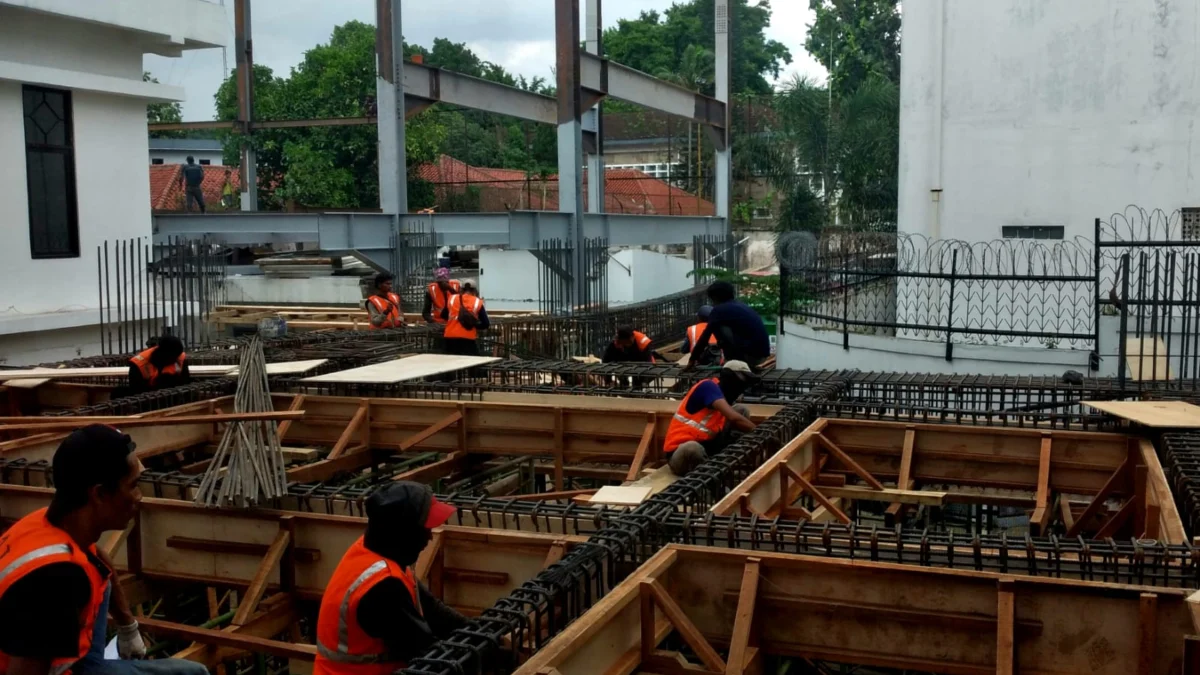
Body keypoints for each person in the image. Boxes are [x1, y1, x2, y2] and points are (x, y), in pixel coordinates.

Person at [0, 424, 208, 675]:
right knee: (193, 674)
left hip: (49, 639)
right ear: (99, 493)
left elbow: (100, 558)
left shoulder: (49, 522)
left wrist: (128, 627)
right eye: (132, 485)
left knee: (97, 571)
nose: (139, 496)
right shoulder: (58, 581)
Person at [314, 482, 468, 675]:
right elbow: (427, 653)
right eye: (425, 529)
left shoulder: (380, 552)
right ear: (403, 535)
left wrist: (477, 631)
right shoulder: (382, 589)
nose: (430, 537)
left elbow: (433, 610)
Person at [664, 360, 759, 477]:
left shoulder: (726, 397)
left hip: (709, 447)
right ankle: (716, 478)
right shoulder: (708, 387)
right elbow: (733, 417)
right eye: (741, 383)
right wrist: (760, 433)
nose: (742, 389)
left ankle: (732, 460)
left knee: (741, 410)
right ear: (730, 378)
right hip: (680, 455)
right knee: (692, 448)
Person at [682, 281, 770, 372]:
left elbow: (704, 338)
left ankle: (732, 362)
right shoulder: (740, 306)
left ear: (715, 297)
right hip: (762, 354)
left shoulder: (718, 311)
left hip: (751, 356)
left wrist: (692, 360)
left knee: (719, 326)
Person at [442, 282, 489, 356]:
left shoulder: (452, 298)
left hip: (450, 336)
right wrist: (473, 325)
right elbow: (486, 323)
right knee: (472, 362)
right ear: (474, 291)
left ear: (461, 290)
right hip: (467, 338)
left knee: (451, 363)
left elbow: (443, 315)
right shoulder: (477, 302)